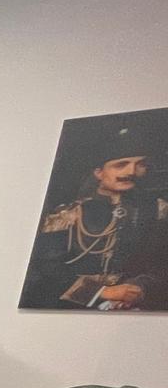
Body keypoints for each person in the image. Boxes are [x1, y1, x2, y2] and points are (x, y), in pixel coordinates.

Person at [19, 122, 168, 312]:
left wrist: (139, 289)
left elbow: (161, 265)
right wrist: (101, 292)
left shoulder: (159, 210)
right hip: (71, 308)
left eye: (140, 164)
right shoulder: (66, 215)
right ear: (99, 172)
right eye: (121, 165)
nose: (131, 171)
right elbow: (45, 269)